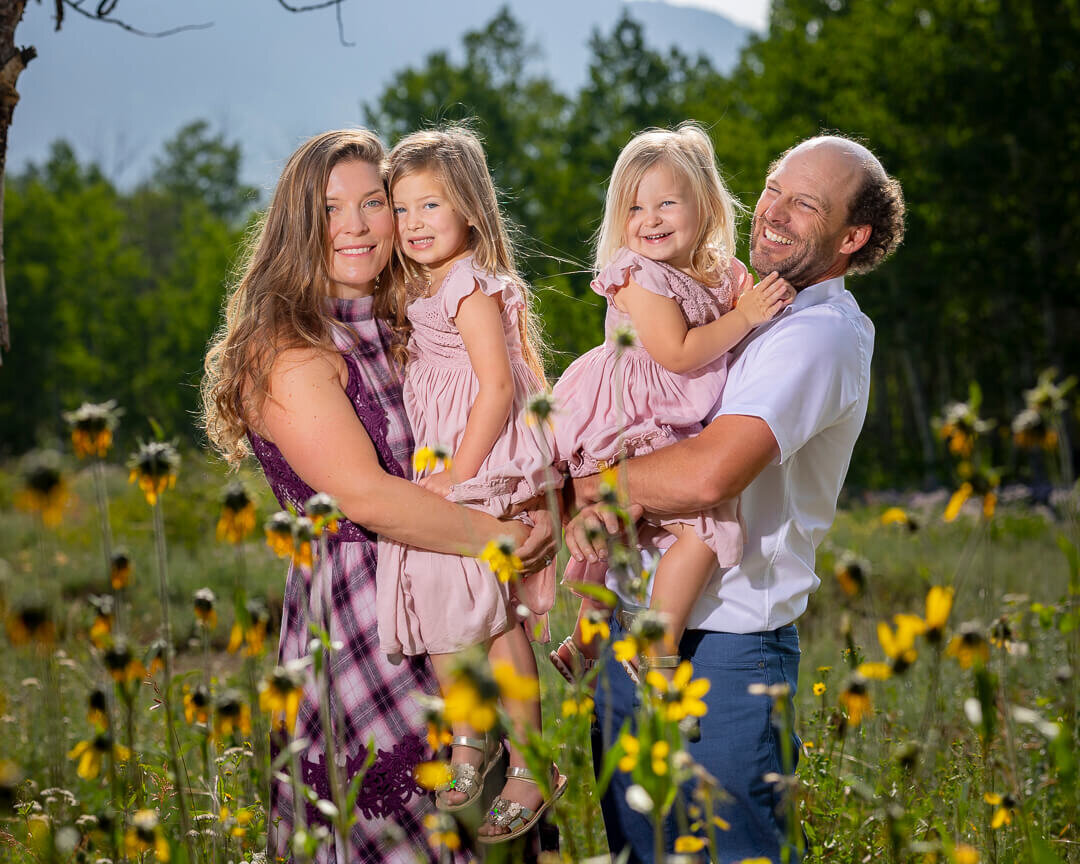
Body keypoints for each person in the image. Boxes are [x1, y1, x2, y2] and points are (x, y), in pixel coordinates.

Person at [201, 129, 553, 863]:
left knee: (484, 834)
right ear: (300, 223)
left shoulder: (409, 322)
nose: (357, 226)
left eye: (375, 203)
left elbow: (497, 412)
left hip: (451, 591)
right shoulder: (288, 349)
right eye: (333, 209)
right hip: (364, 620)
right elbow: (367, 497)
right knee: (402, 838)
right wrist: (504, 539)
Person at [566, 134, 905, 862]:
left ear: (852, 237)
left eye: (803, 203)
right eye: (774, 187)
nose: (774, 210)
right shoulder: (747, 301)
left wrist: (582, 485)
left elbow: (707, 476)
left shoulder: (818, 336)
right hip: (637, 630)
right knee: (640, 851)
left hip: (725, 647)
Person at [548, 124, 793, 685]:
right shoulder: (639, 276)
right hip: (631, 412)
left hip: (674, 415)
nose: (650, 219)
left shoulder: (723, 273)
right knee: (695, 526)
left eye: (666, 203)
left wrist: (750, 312)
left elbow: (733, 343)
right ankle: (653, 645)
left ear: (704, 206)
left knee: (627, 528)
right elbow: (679, 354)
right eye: (634, 208)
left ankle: (586, 643)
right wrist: (745, 316)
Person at [376, 127, 566, 843]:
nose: (415, 223)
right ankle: (468, 740)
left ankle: (531, 760)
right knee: (449, 603)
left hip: (484, 458)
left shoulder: (468, 285)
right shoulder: (420, 286)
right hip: (452, 457)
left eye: (432, 206)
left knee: (496, 615)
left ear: (471, 214)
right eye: (403, 209)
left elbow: (494, 388)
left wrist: (461, 474)